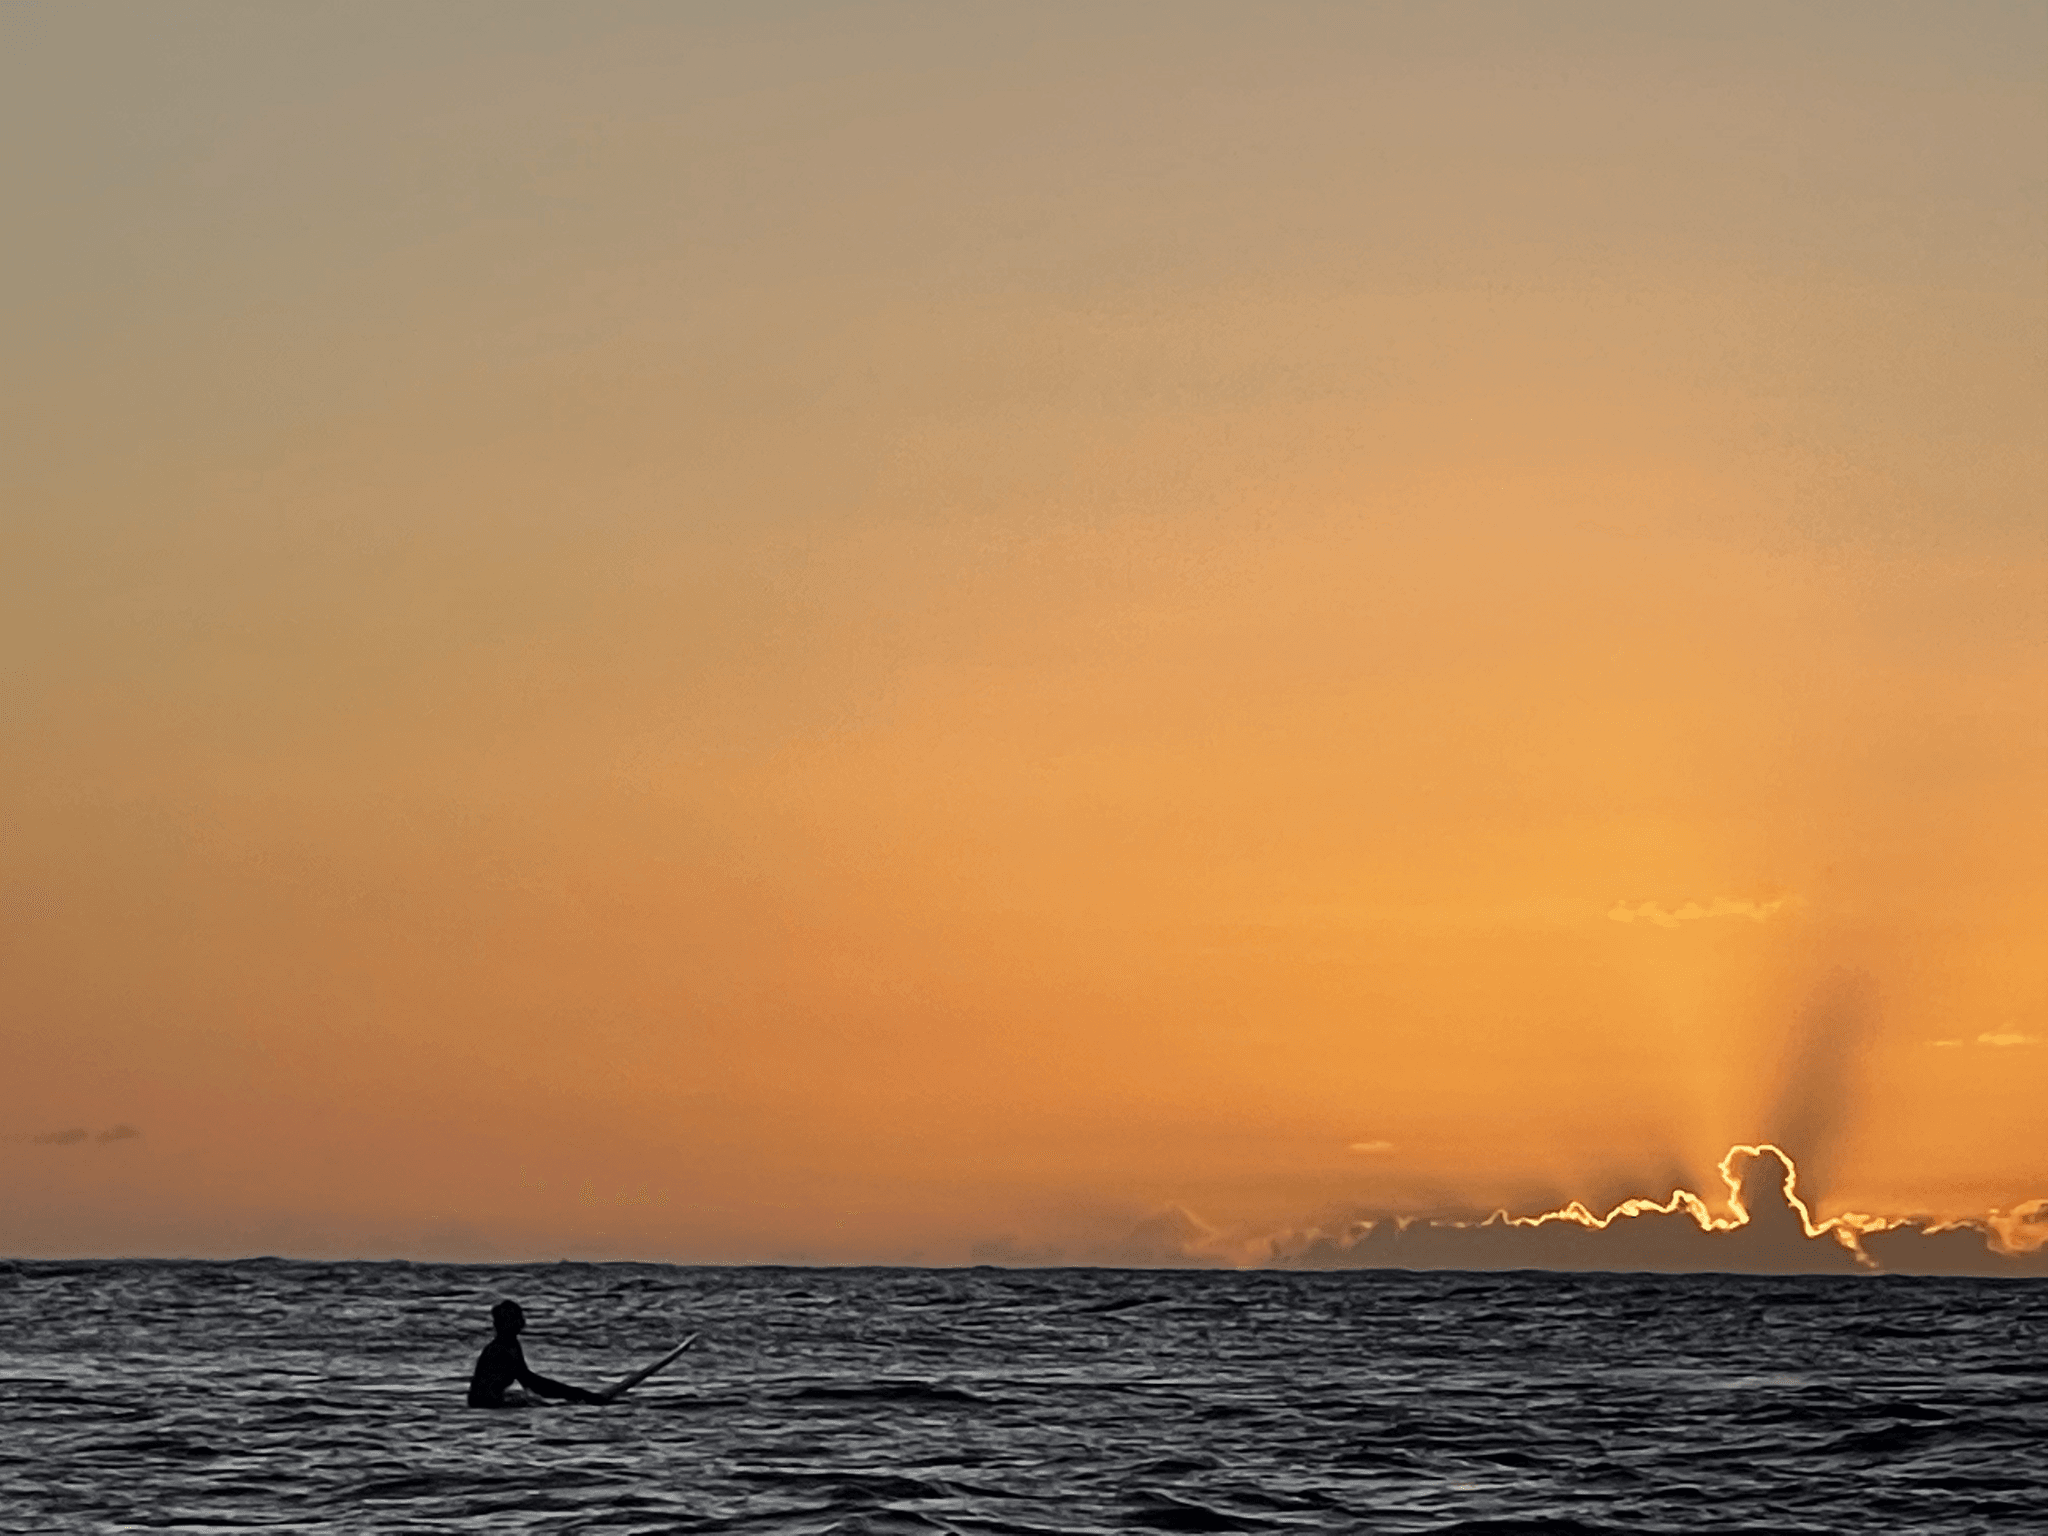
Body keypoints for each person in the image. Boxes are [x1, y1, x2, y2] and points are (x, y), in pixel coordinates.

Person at [467, 1299, 603, 1407]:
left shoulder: (512, 1345)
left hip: (487, 1402)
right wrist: (580, 1395)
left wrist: (576, 1394)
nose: (520, 1323)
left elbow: (531, 1382)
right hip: (485, 1404)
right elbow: (532, 1382)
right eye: (514, 1319)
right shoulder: (500, 1350)